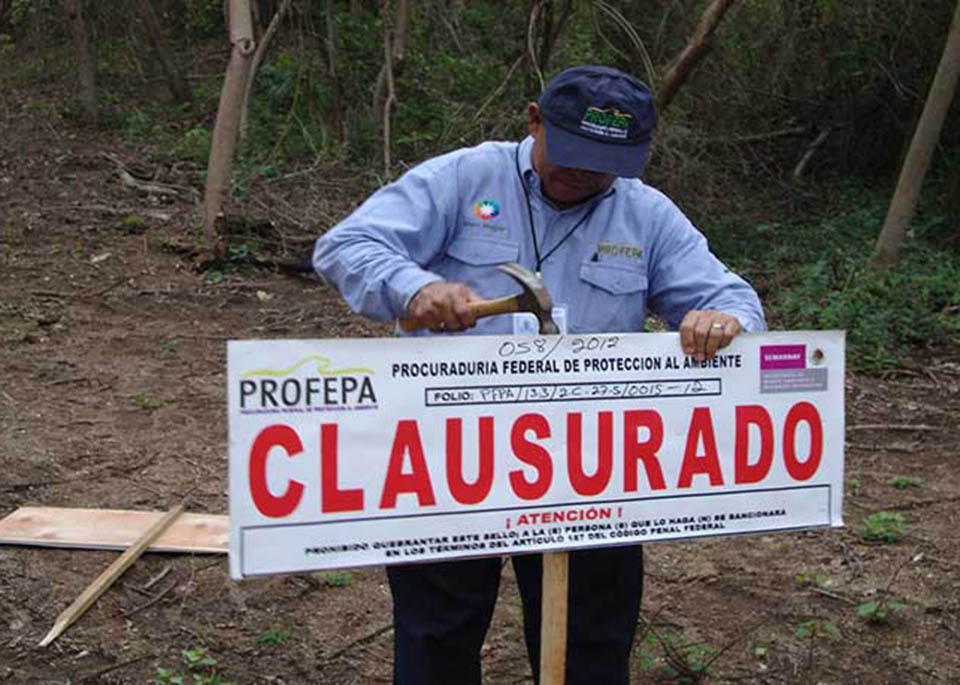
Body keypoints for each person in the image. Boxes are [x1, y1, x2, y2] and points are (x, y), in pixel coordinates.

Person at [314, 65, 766, 684]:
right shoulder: (463, 178)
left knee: (590, 641)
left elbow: (738, 305)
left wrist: (723, 320)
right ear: (534, 121)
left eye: (607, 161)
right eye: (575, 154)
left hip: (589, 462)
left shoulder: (647, 215)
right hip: (448, 449)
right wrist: (415, 288)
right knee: (437, 633)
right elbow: (346, 246)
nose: (586, 173)